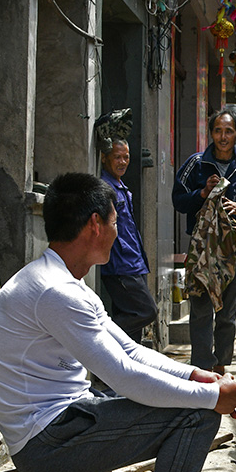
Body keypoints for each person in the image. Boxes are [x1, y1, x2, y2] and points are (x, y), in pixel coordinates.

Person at [0, 173, 236, 472]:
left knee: (192, 398)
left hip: (67, 418)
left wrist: (195, 376)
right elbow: (123, 374)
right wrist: (212, 397)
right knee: (198, 414)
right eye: (115, 221)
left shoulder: (62, 280)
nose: (116, 230)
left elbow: (129, 349)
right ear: (94, 224)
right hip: (45, 442)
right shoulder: (55, 291)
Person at [173, 108, 236, 373]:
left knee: (227, 312)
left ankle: (222, 364)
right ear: (211, 133)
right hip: (202, 248)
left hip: (234, 248)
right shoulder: (196, 164)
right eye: (218, 130)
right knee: (201, 308)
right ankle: (202, 367)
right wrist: (202, 193)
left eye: (228, 131)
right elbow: (177, 200)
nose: (223, 136)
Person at [95, 111, 158, 344]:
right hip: (120, 265)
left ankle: (123, 374)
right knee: (146, 312)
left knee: (131, 322)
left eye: (126, 157)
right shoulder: (105, 187)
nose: (123, 162)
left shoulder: (121, 187)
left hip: (134, 262)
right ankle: (100, 339)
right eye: (117, 157)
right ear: (105, 158)